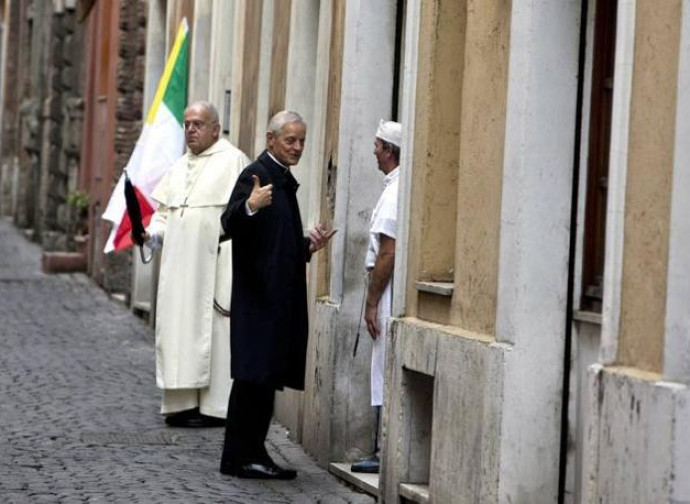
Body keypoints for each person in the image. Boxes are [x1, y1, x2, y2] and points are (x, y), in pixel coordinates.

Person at [219, 110, 335, 479]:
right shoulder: (257, 174)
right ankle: (240, 457)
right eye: (290, 140)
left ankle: (252, 453)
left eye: (302, 140)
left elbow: (275, 244)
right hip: (258, 299)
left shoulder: (282, 178)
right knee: (253, 378)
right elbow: (230, 222)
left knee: (264, 379)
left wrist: (306, 246)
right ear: (272, 140)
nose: (298, 147)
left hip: (275, 300)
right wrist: (251, 205)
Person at [142, 101, 250, 428]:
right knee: (178, 332)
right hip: (178, 269)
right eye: (188, 123)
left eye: (198, 124)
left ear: (216, 129)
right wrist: (147, 235)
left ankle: (215, 408)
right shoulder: (178, 167)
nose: (190, 129)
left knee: (213, 335)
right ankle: (182, 403)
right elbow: (164, 218)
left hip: (215, 267)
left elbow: (241, 217)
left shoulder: (234, 162)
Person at [351, 119, 401, 474]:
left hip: (387, 290)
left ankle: (383, 450)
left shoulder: (396, 190)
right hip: (385, 287)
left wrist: (371, 301)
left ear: (389, 150)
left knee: (382, 368)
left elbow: (387, 250)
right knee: (379, 367)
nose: (373, 150)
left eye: (377, 145)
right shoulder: (393, 187)